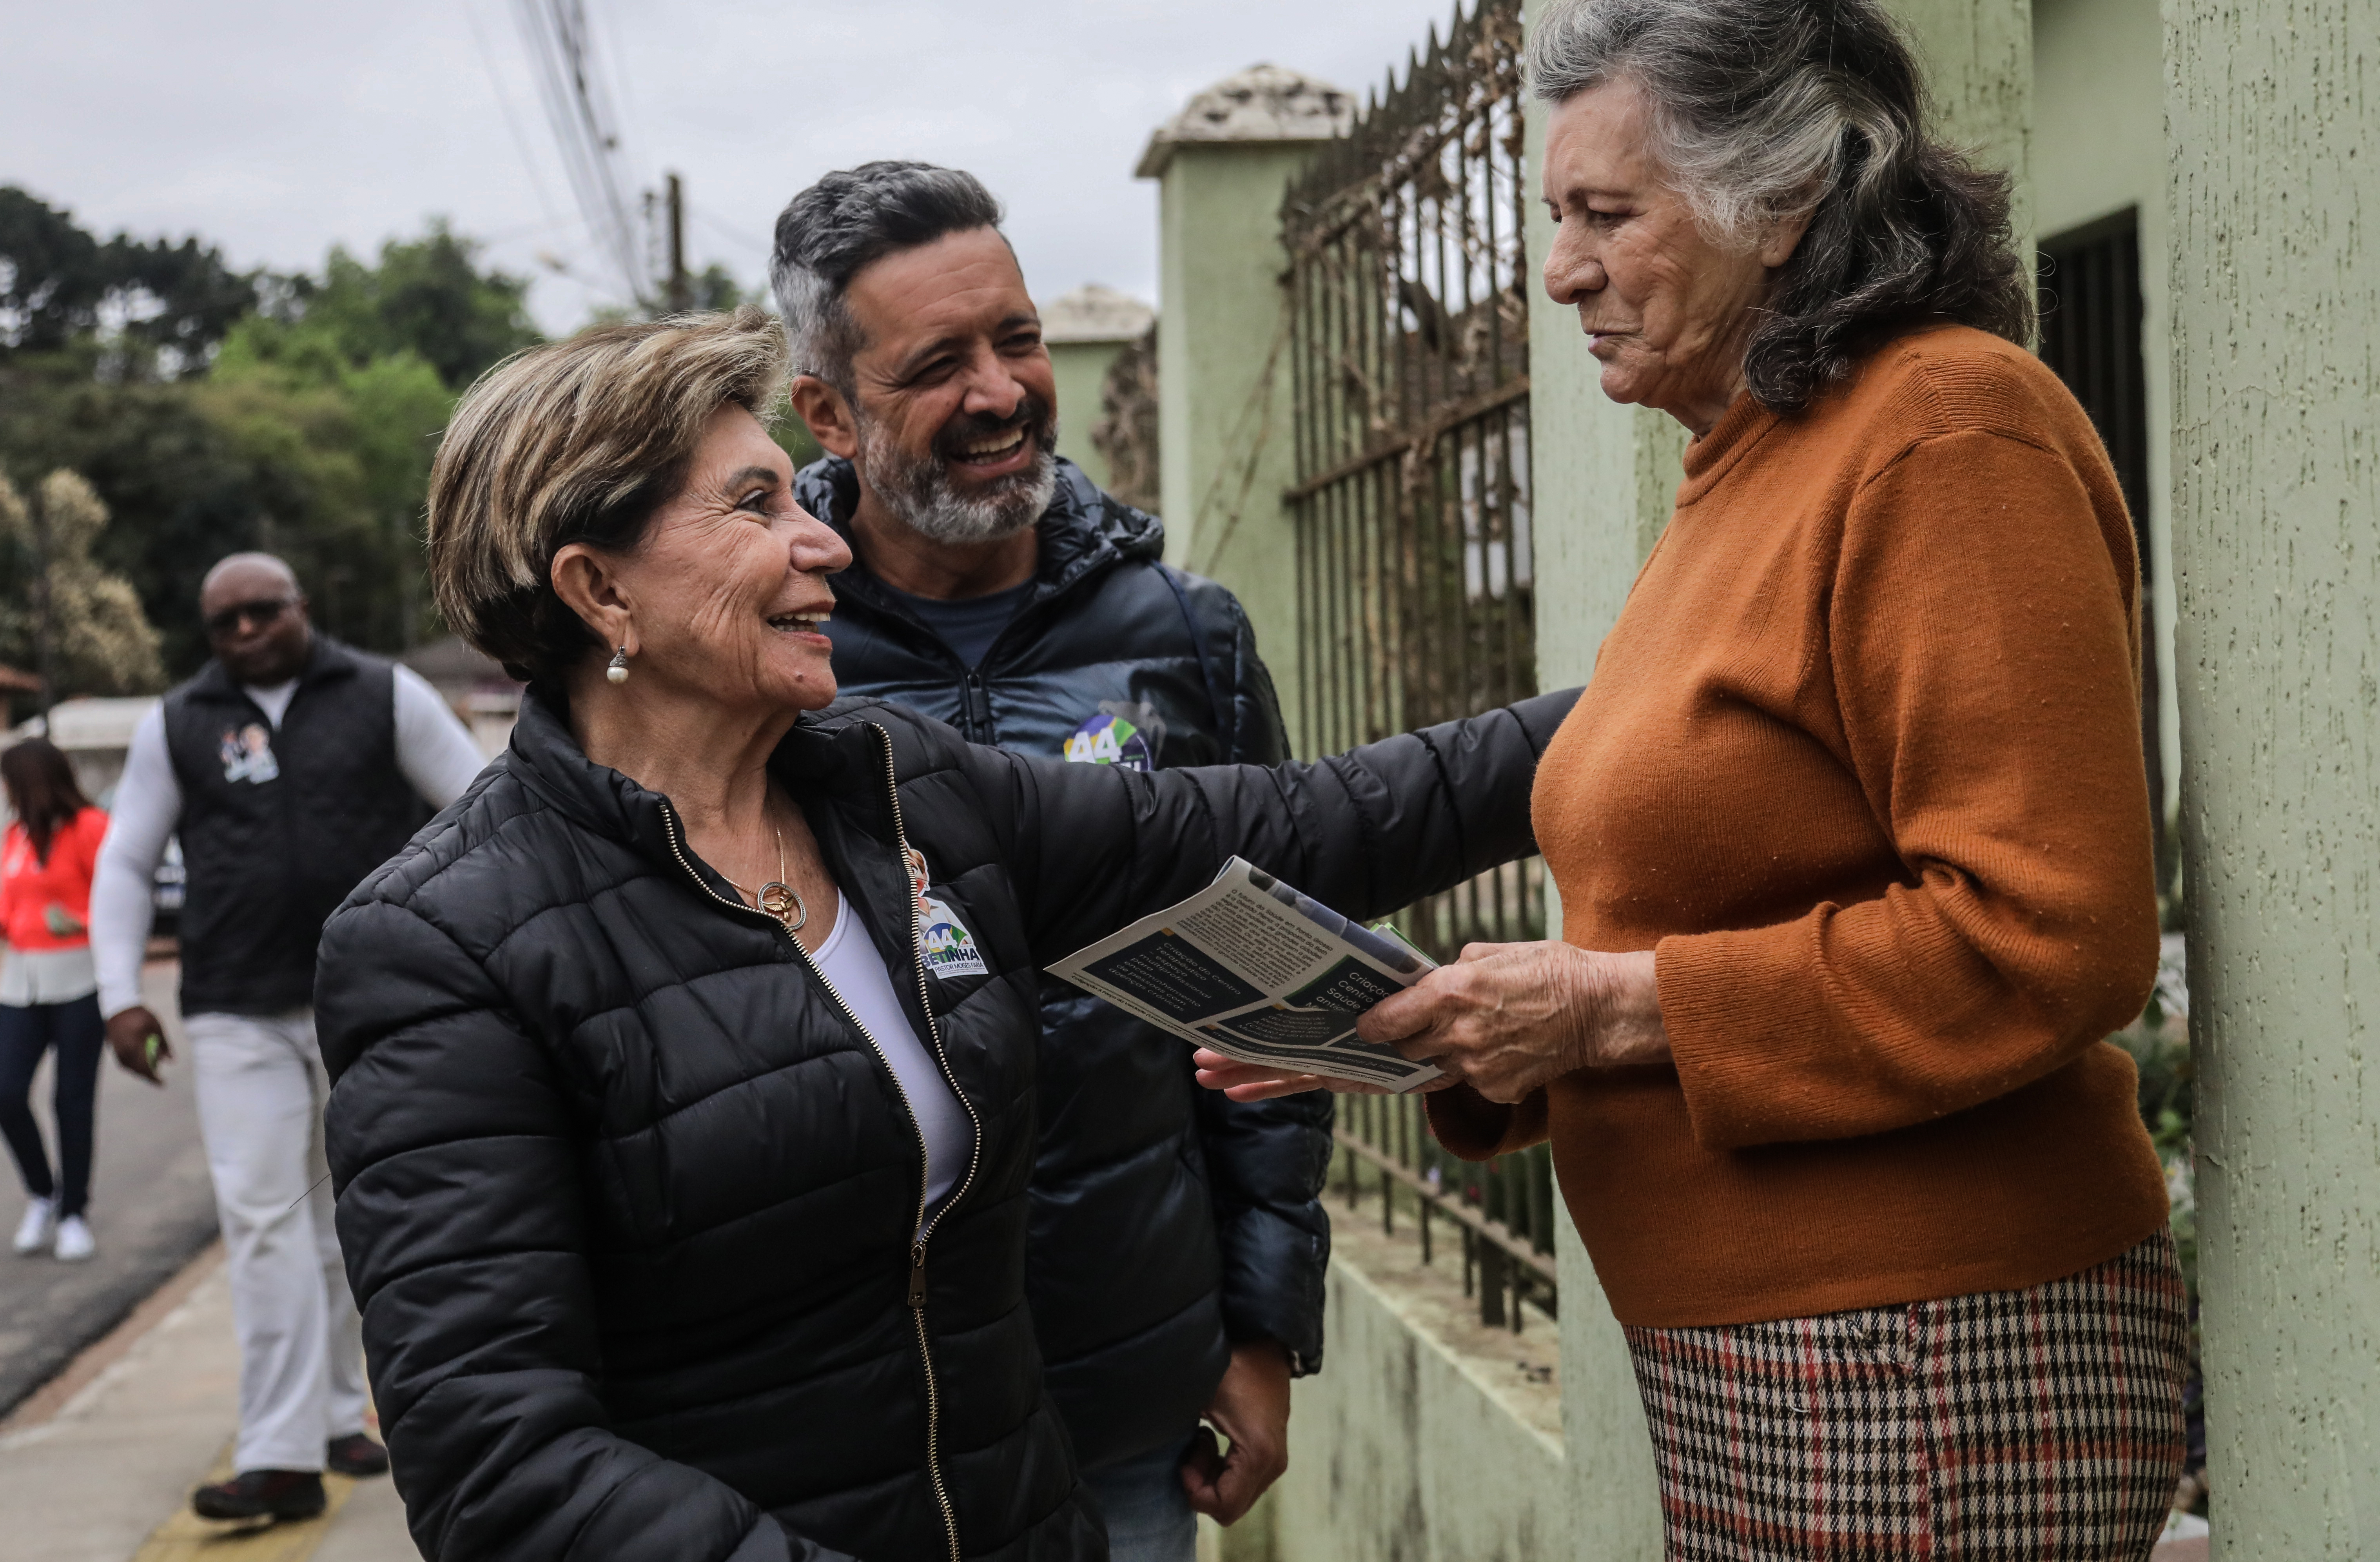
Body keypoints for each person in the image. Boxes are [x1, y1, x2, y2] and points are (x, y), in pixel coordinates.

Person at [1202, 0, 2186, 1559]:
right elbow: (1699, 917)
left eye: (1610, 215)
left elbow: (2053, 936)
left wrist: (1597, 1011)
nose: (1564, 273)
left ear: (1783, 204)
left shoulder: (1948, 431)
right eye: (1556, 221)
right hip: (1796, 1360)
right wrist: (1463, 1035)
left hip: (1929, 1355)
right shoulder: (1747, 465)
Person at [314, 307, 1578, 1562]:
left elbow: (1315, 822)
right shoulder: (445, 945)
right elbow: (497, 1460)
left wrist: (1653, 703)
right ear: (601, 592)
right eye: (756, 506)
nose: (825, 542)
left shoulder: (899, 789)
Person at [776, 161, 1328, 1557]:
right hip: (843, 1411)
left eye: (1016, 338)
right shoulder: (771, 652)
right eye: (938, 363)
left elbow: (1267, 989)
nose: (1002, 392)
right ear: (828, 410)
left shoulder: (1185, 638)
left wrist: (1262, 1326)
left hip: (1125, 1386)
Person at [90, 553, 483, 1525]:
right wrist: (116, 995)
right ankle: (278, 1455)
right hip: (235, 1006)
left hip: (371, 999)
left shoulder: (387, 692)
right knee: (264, 1216)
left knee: (349, 1216)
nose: (245, 633)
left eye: (263, 612)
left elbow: (483, 808)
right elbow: (127, 860)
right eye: (223, 622)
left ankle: (340, 1413)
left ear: (302, 606)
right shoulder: (178, 720)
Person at [0, 737, 109, 1264]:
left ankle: (74, 1213)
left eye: (7, 781)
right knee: (2, 1093)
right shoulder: (15, 835)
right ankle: (42, 1192)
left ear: (29, 781)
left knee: (72, 1101)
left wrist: (84, 922)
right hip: (21, 981)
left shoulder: (90, 827)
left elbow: (118, 900)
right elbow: (12, 910)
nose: (2, 791)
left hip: (80, 980)